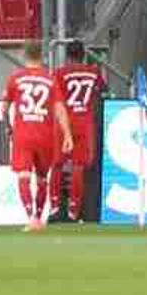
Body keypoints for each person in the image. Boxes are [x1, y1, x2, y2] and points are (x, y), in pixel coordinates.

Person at [1, 43, 74, 231]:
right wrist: (67, 134)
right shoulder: (50, 80)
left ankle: (31, 217)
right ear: (41, 57)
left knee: (24, 175)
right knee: (42, 178)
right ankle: (39, 218)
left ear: (24, 56)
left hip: (23, 134)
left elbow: (4, 107)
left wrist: (8, 126)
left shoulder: (15, 78)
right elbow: (59, 108)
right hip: (45, 135)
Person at [53, 41, 106, 223]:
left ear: (68, 56)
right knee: (78, 166)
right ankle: (74, 211)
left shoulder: (60, 73)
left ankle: (55, 207)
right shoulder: (94, 72)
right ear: (83, 55)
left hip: (65, 122)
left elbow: (55, 98)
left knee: (58, 163)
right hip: (85, 121)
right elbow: (102, 91)